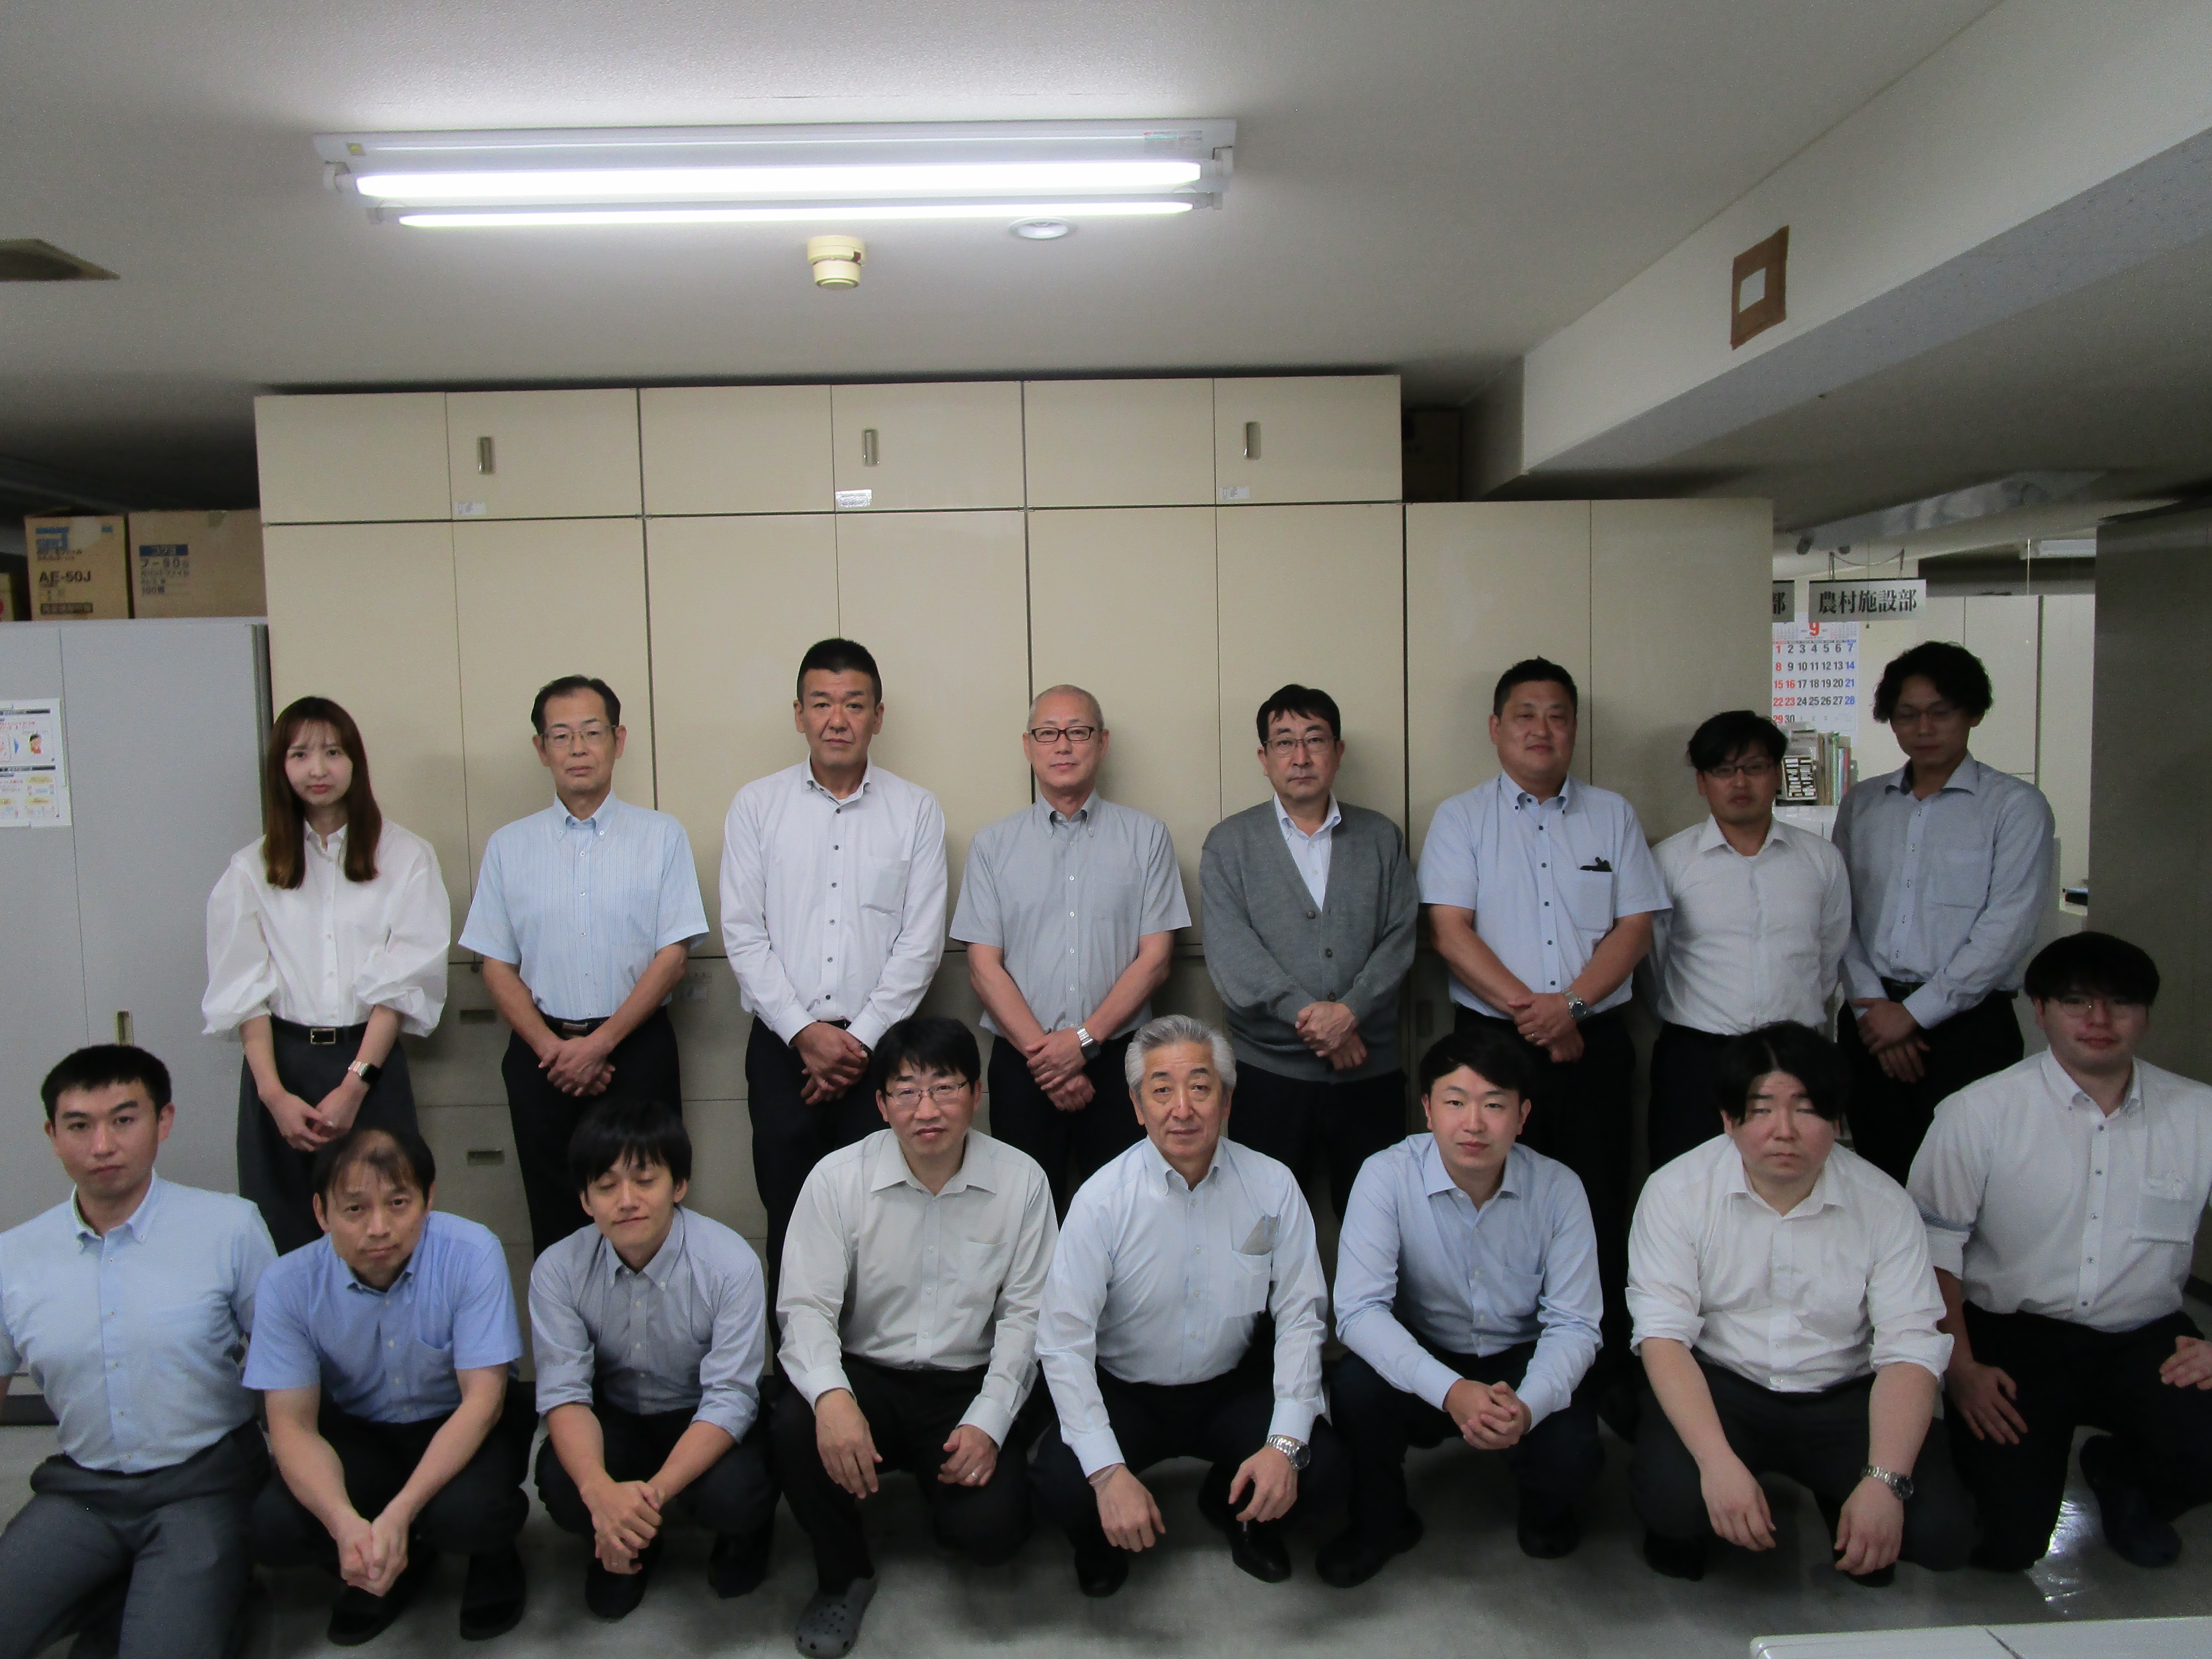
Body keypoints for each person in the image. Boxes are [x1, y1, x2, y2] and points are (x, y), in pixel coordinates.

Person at [1626, 1021, 1972, 1585]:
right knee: (1675, 1499)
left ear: (1837, 1121)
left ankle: (1849, 1501)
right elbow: (1662, 1336)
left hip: (1843, 1394)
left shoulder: (1883, 1203)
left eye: (1807, 1109)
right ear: (1728, 1119)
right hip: (1725, 1385)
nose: (1783, 1131)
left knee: (1941, 1532)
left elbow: (1910, 1348)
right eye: (1761, 1110)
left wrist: (1883, 1482)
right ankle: (1692, 1523)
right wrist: (1717, 1466)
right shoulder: (1676, 1192)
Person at [1908, 932, 2212, 1571]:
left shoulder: (2198, 1114)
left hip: (2145, 1338)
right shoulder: (1978, 1113)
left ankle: (2126, 1478)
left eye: (2120, 1003)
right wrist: (1960, 1370)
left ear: (2146, 1015)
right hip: (2016, 1341)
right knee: (2005, 1546)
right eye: (2077, 1002)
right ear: (2041, 1011)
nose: (2099, 1020)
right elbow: (1933, 1255)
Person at [1032, 1015, 1349, 1596]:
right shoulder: (1102, 1200)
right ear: (1137, 1107)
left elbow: (1302, 1318)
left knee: (1323, 1471)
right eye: (1162, 1091)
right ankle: (1102, 1539)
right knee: (1060, 1483)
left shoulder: (1273, 1185)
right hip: (1126, 1390)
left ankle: (1237, 1511)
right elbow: (1063, 1342)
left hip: (1230, 1384)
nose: (1182, 1109)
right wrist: (1106, 1473)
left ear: (1226, 1101)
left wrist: (1282, 1447)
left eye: (1200, 1088)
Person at [1419, 658, 1667, 1394]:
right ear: (1495, 727)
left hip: (1594, 1041)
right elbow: (1449, 931)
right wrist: (1537, 1012)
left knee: (1597, 1200)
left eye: (1557, 715)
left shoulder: (1612, 815)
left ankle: (1598, 1371)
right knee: (1496, 1203)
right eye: (1525, 714)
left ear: (1574, 729)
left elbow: (1635, 927)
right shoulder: (1462, 817)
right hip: (1492, 1048)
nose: (1541, 729)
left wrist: (1573, 1007)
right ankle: (1507, 1366)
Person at [771, 1016, 1054, 1655]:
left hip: (963, 1384)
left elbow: (1027, 1318)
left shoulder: (1022, 1182)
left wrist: (990, 1420)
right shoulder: (837, 1178)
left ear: (976, 1095)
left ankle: (942, 1491)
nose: (927, 1110)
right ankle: (843, 1574)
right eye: (906, 1091)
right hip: (866, 1376)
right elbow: (807, 1308)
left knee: (992, 1533)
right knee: (794, 1423)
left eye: (945, 1088)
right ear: (881, 1104)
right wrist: (831, 1399)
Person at [0, 1046, 276, 1659]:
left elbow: (287, 1367)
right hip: (83, 1489)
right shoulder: (12, 1257)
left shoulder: (230, 1227)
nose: (102, 1146)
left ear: (163, 1121)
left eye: (124, 1120)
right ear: (52, 1136)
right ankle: (126, 1587)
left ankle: (210, 1591)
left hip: (202, 1484)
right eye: (79, 1126)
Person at [1323, 1027, 1604, 1585]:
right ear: (1428, 1110)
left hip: (1520, 1356)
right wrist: (1451, 1391)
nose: (1473, 1124)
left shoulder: (1558, 1188)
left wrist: (1526, 1407)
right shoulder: (1386, 1175)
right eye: (1455, 1103)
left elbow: (1575, 1325)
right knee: (1355, 1390)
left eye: (1494, 1106)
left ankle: (1543, 1508)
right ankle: (1381, 1523)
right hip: (1428, 1349)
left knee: (1575, 1449)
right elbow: (1358, 1312)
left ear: (1522, 1116)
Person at [246, 1125, 533, 1646]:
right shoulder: (287, 1284)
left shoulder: (472, 1252)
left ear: (428, 1198)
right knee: (274, 1525)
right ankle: (388, 1559)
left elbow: (483, 1402)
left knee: (470, 1515)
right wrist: (343, 1523)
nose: (379, 1228)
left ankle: (490, 1559)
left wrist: (401, 1512)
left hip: (459, 1421)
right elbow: (291, 1426)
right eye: (355, 1209)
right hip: (362, 1429)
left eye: (398, 1203)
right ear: (322, 1213)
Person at [721, 638, 948, 1276]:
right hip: (782, 1050)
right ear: (799, 715)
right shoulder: (756, 806)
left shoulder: (916, 810)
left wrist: (858, 1043)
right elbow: (743, 934)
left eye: (854, 704)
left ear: (879, 715)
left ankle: (874, 1349)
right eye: (821, 703)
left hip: (881, 1053)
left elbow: (920, 944)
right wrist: (803, 1033)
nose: (837, 719)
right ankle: (795, 1347)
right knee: (789, 1219)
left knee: (885, 1227)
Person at [461, 674, 708, 1255]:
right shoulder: (509, 846)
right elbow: (495, 964)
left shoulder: (661, 837)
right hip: (542, 1057)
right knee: (555, 1215)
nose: (578, 749)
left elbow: (673, 958)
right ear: (540, 748)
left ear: (618, 741)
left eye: (592, 733)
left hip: (636, 1053)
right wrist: (555, 1050)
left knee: (646, 1211)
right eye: (562, 735)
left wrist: (600, 1046)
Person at [204, 695, 450, 1254]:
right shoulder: (251, 868)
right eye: (300, 755)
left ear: (355, 762)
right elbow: (245, 995)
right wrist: (273, 1096)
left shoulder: (406, 857)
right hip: (281, 1067)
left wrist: (354, 1084)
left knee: (383, 1231)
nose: (318, 769)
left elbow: (402, 985)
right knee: (283, 1233)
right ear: (280, 768)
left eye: (333, 753)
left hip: (370, 1066)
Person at [531, 1098, 776, 1619]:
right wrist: (600, 1494)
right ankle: (624, 1543)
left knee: (739, 1492)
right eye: (606, 1187)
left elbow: (731, 1397)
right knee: (563, 1483)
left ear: (679, 1185)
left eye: (645, 1181)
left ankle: (733, 1534)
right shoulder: (558, 1269)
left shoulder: (730, 1263)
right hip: (618, 1415)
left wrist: (649, 1499)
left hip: (701, 1413)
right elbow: (565, 1394)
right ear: (585, 1200)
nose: (627, 1201)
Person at [954, 685, 1187, 1213]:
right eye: (1047, 733)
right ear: (1028, 746)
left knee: (1127, 1215)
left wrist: (1082, 1041)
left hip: (1120, 1060)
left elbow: (1156, 960)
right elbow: (983, 967)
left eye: (1078, 732)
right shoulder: (993, 846)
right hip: (1023, 1064)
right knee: (1022, 1218)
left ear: (1102, 743)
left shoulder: (1147, 838)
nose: (1063, 745)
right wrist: (1048, 1058)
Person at [1832, 641, 2056, 1180]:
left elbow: (2007, 927)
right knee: (1878, 1178)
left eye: (1940, 712)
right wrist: (1873, 1011)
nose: (1923, 728)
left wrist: (1912, 1016)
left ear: (1972, 713)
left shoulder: (2014, 806)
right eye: (1907, 715)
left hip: (1967, 1027)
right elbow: (1840, 915)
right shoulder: (1862, 803)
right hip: (1870, 1021)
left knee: (1968, 1180)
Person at [1200, 684, 1418, 1219]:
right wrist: (1318, 1022)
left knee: (1380, 1227)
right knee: (1263, 1229)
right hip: (1269, 1076)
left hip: (1370, 1073)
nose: (1300, 757)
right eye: (1284, 742)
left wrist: (1350, 1014)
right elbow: (1233, 956)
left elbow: (1400, 939)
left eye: (1315, 739)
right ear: (1264, 758)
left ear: (1338, 752)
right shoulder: (1229, 844)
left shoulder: (1381, 838)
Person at [1646, 710, 1851, 1170]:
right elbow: (1654, 961)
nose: (1740, 782)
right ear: (1702, 782)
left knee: (1793, 1179)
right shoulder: (1669, 862)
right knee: (1685, 1181)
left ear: (1776, 774)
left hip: (1795, 1056)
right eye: (1723, 770)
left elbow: (1829, 955)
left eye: (1754, 767)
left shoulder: (1821, 861)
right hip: (1696, 1056)